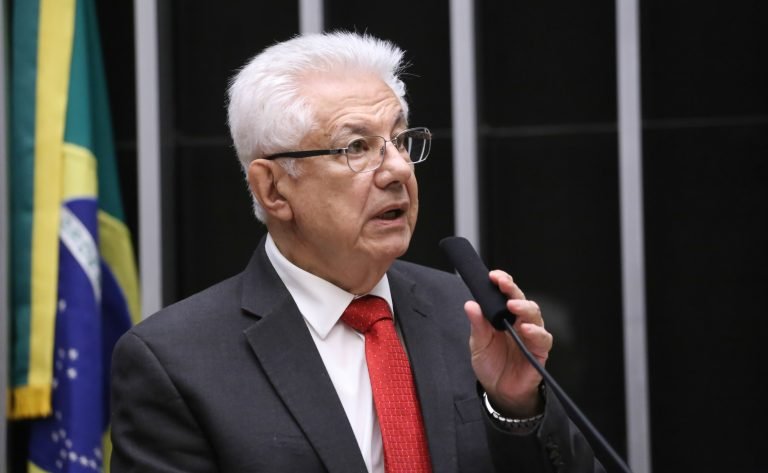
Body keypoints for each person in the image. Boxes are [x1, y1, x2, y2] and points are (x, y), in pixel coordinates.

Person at [110, 31, 603, 472]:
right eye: (356, 148)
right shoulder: (176, 362)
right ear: (273, 189)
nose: (398, 170)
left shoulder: (469, 318)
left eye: (400, 140)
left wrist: (515, 408)